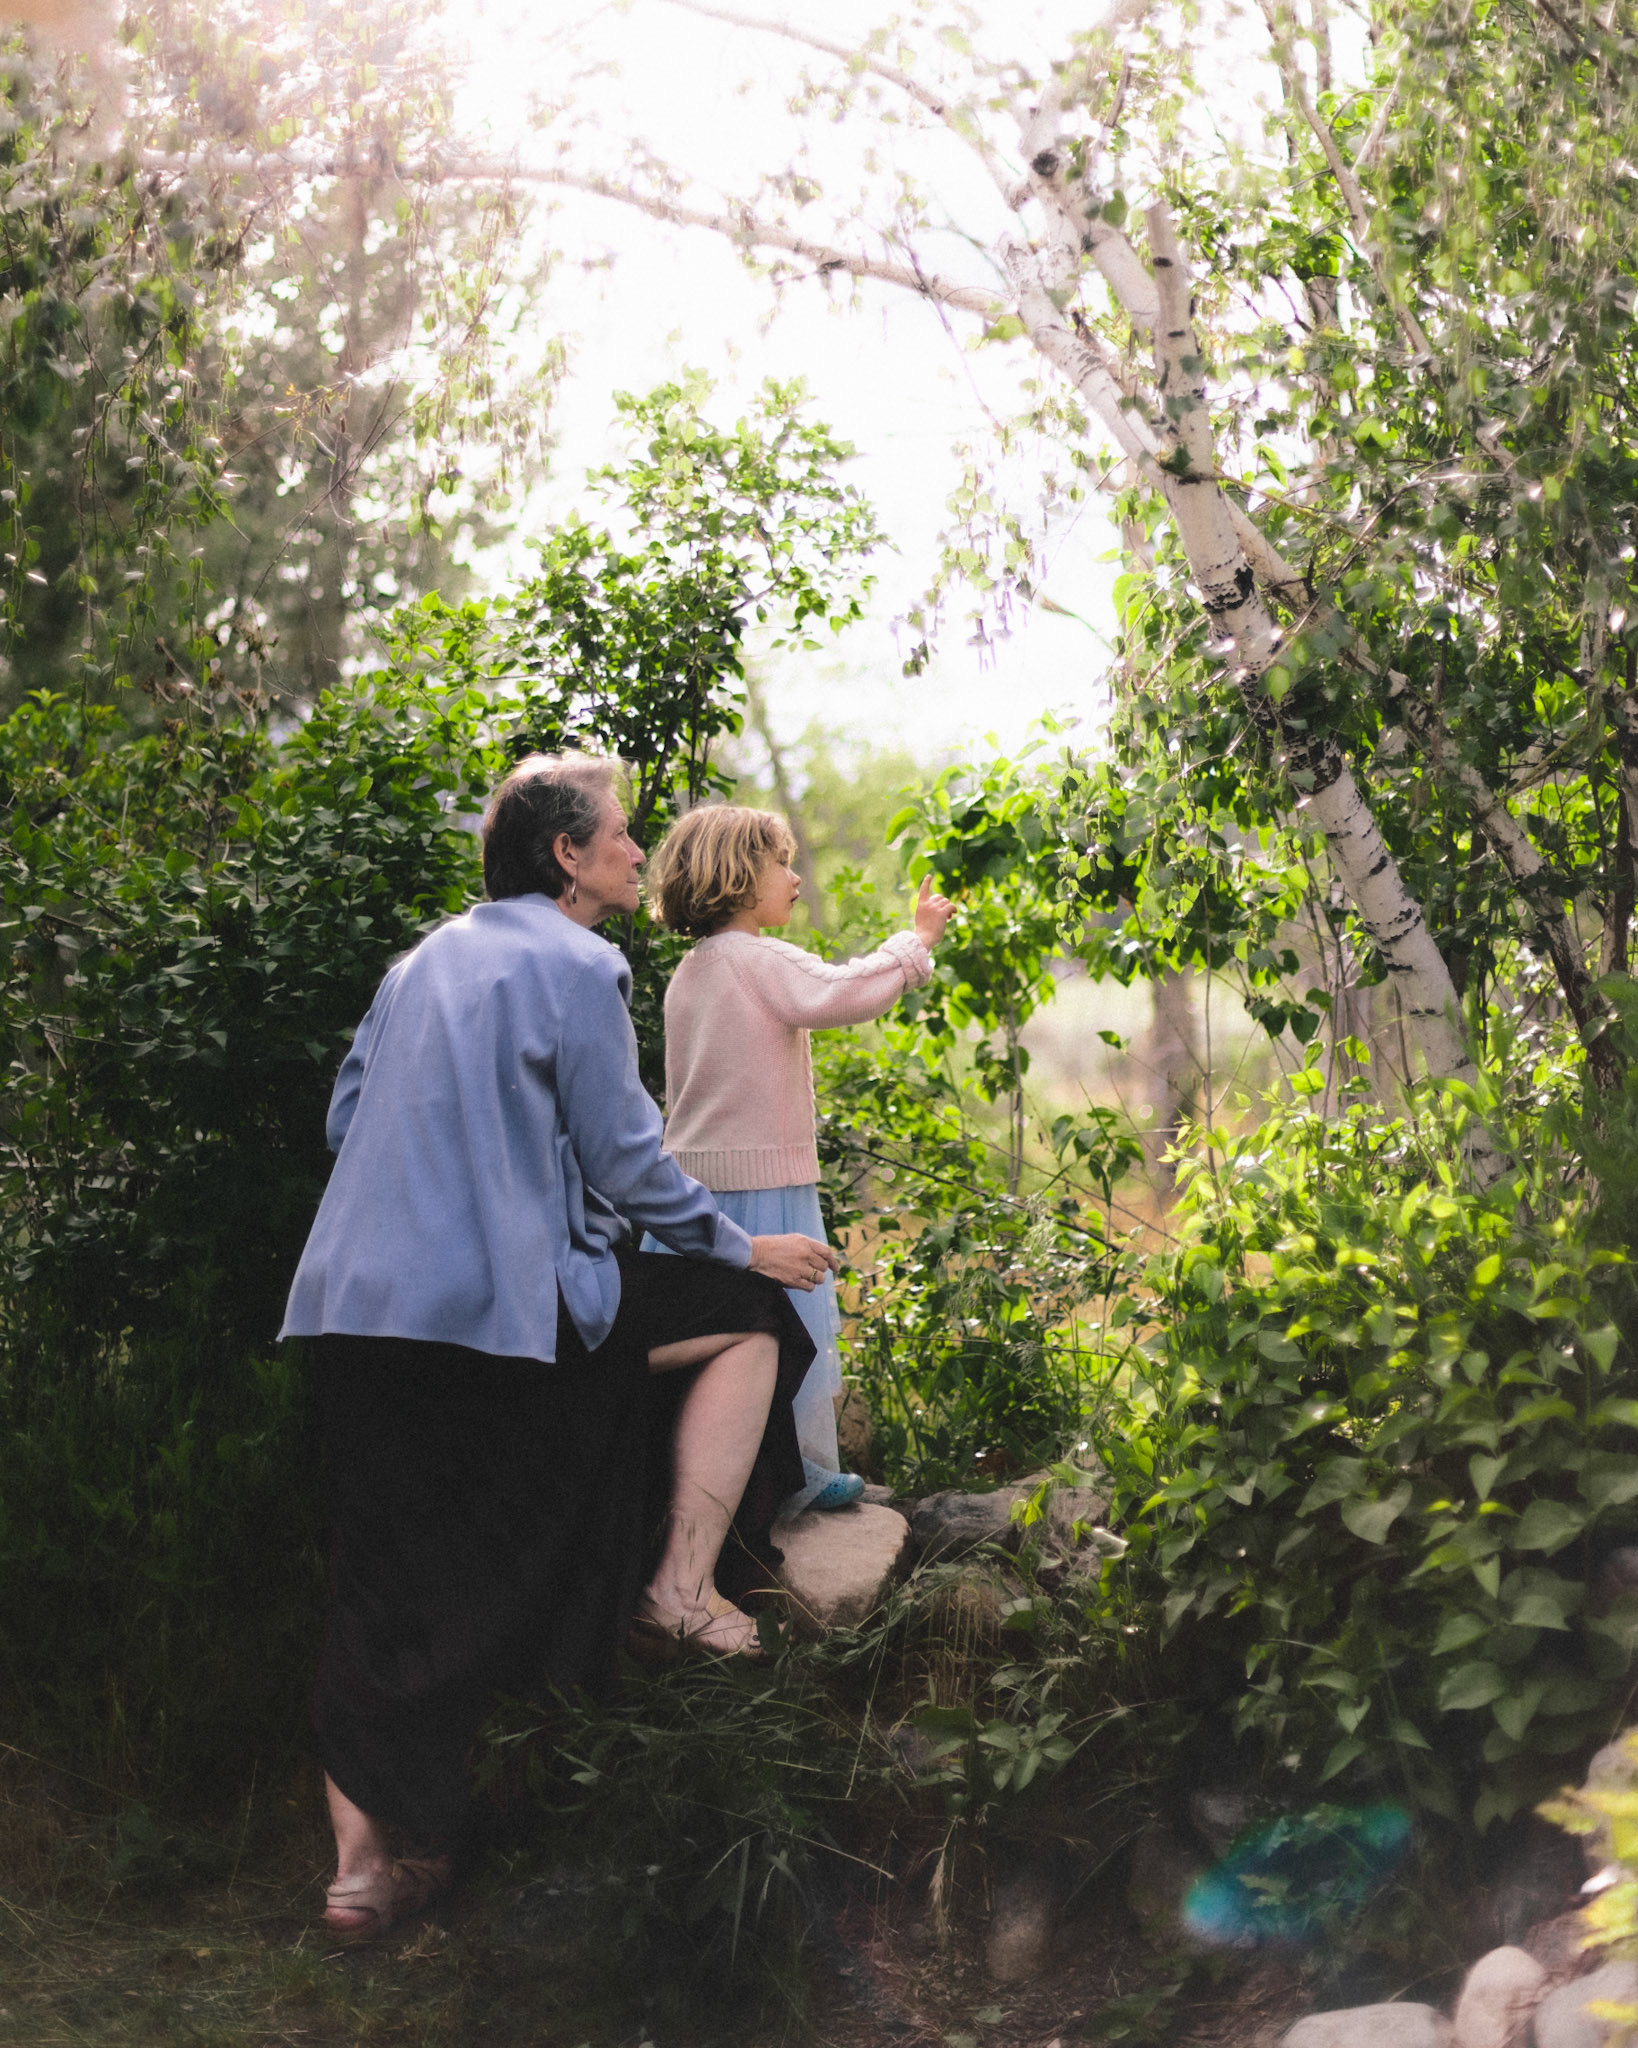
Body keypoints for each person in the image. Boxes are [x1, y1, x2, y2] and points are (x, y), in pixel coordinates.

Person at [279, 753, 840, 1942]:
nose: (640, 850)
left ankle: (360, 1874)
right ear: (566, 858)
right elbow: (633, 1162)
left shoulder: (418, 959)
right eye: (623, 834)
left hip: (349, 1310)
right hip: (492, 1320)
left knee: (381, 1570)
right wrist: (742, 1248)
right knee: (753, 1323)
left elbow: (345, 1117)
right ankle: (679, 1587)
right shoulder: (583, 963)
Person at [645, 806, 954, 1513]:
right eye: (778, 864)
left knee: (705, 1350)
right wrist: (916, 944)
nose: (793, 877)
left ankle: (715, 1485)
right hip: (762, 1190)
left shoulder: (690, 971)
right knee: (787, 1342)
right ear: (737, 879)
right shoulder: (755, 958)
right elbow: (839, 993)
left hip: (692, 1194)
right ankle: (797, 1478)